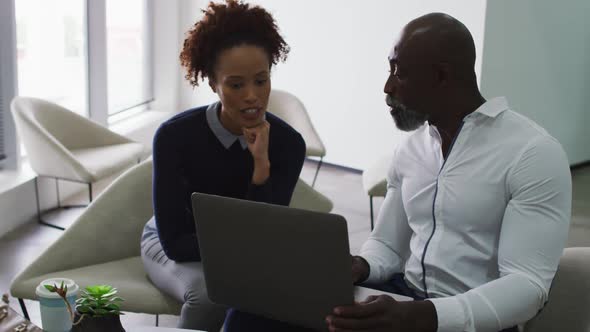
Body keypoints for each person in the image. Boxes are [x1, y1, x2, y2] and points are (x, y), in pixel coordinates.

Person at [226, 12, 572, 332]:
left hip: (469, 319)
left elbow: (528, 287)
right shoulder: (411, 148)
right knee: (250, 314)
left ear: (441, 76)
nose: (388, 87)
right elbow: (388, 245)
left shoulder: (532, 154)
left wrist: (422, 316)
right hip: (404, 297)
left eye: (399, 72)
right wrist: (359, 265)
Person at [140, 1, 306, 330]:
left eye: (261, 80)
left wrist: (261, 169)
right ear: (213, 84)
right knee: (209, 294)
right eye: (235, 84)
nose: (252, 96)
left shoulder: (288, 144)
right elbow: (175, 242)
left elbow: (265, 235)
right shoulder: (174, 136)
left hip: (235, 251)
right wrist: (242, 252)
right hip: (169, 241)